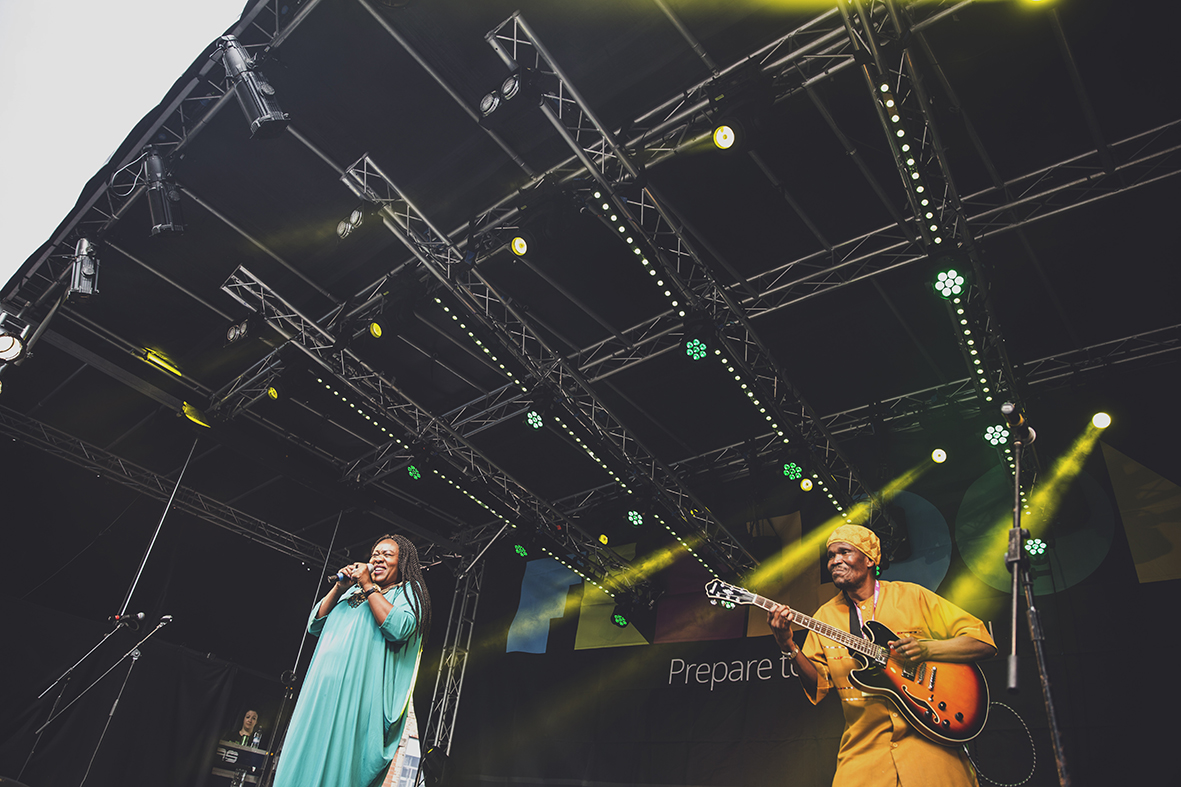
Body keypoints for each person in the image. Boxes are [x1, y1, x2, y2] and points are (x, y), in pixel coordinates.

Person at [767, 524, 996, 787]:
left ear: (869, 559)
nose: (835, 561)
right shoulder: (825, 617)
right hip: (863, 756)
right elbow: (818, 685)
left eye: (844, 552)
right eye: (830, 555)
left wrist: (928, 649)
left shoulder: (911, 595)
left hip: (933, 752)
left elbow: (981, 642)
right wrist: (787, 644)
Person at [272, 534, 431, 787]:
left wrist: (369, 586)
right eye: (375, 554)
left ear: (401, 564)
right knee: (303, 754)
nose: (378, 558)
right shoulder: (351, 592)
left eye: (387, 555)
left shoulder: (408, 591)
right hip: (319, 692)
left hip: (355, 697)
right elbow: (315, 624)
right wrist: (339, 587)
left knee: (338, 764)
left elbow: (399, 628)